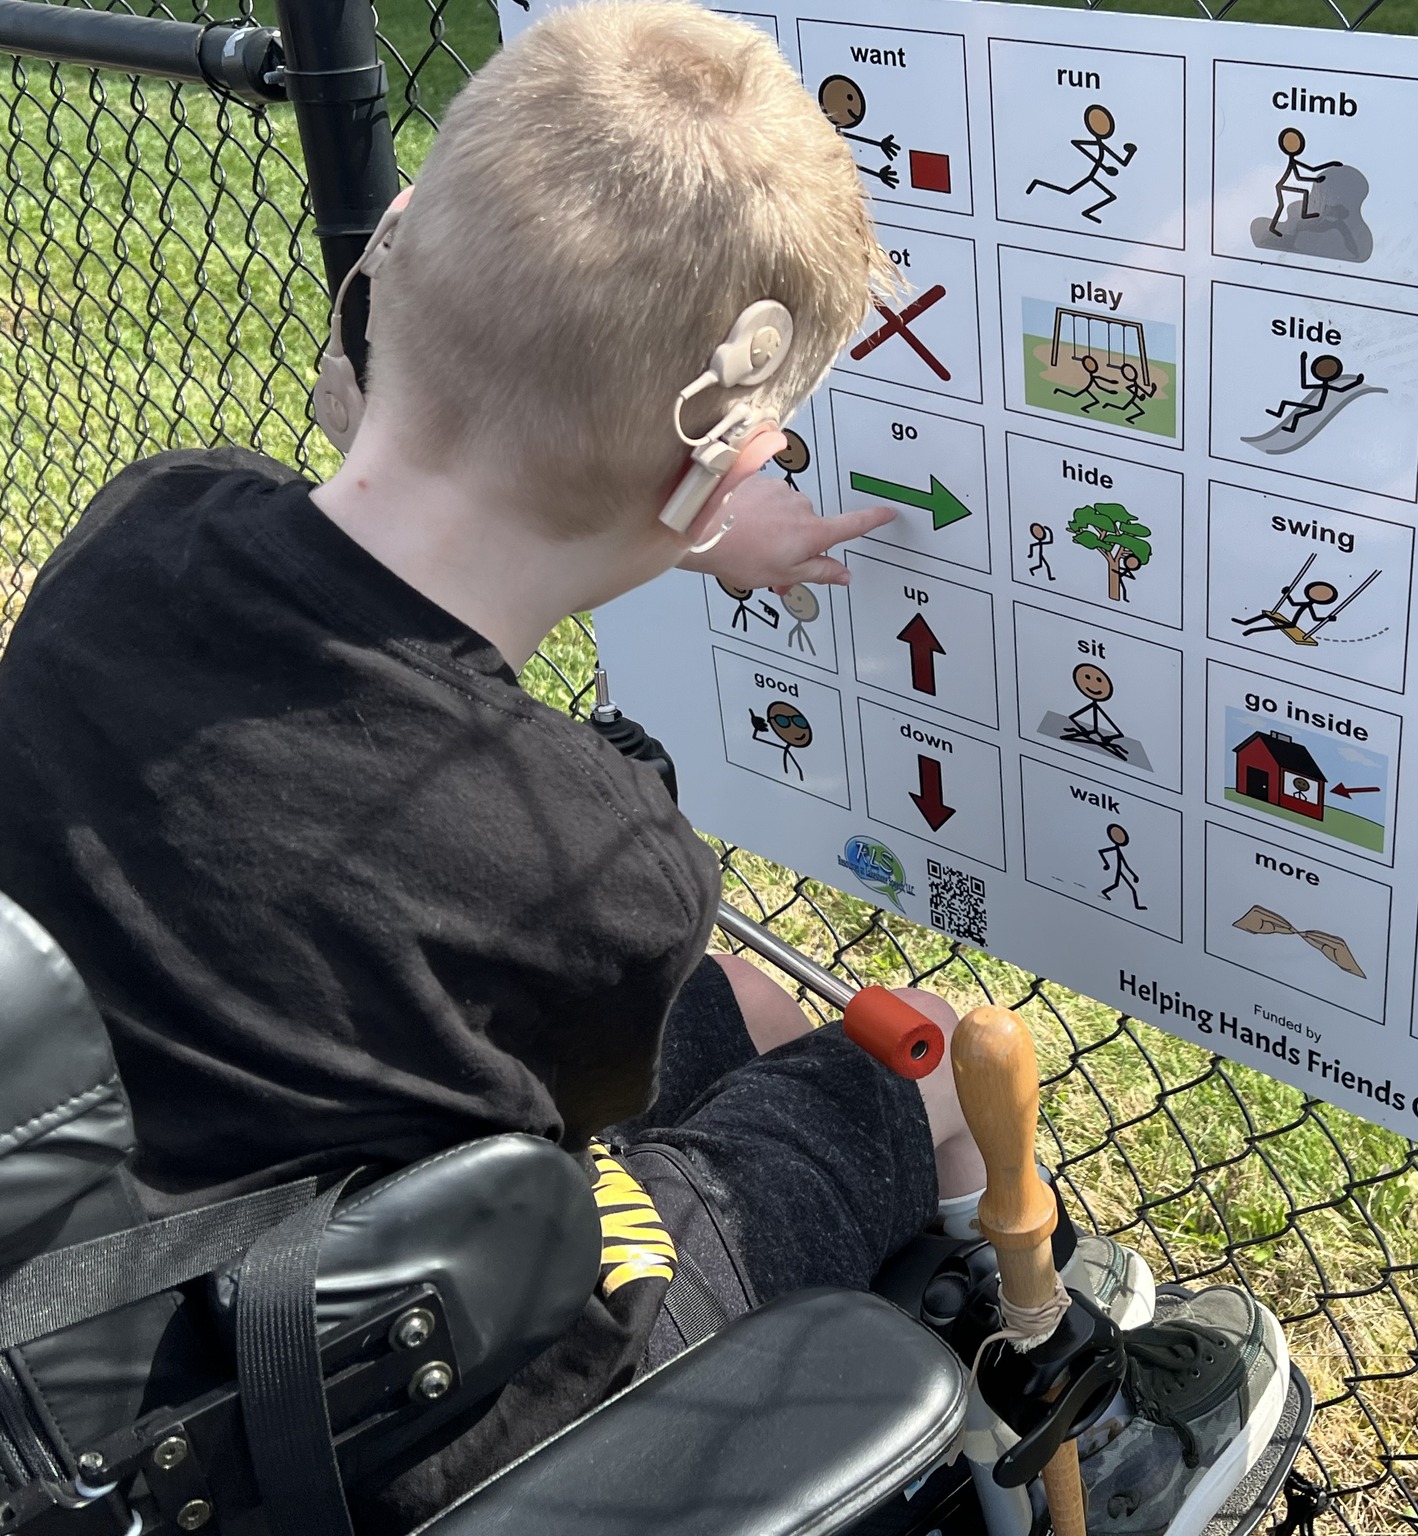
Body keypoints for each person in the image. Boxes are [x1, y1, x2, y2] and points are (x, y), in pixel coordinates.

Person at [0, 8, 1282, 1533]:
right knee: (919, 1060)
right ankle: (1014, 1398)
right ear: (717, 464)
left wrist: (689, 503)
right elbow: (594, 1106)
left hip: (104, 1280)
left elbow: (380, 513)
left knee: (733, 1007)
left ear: (390, 255)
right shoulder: (596, 856)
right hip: (417, 1406)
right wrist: (680, 503)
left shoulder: (147, 523)